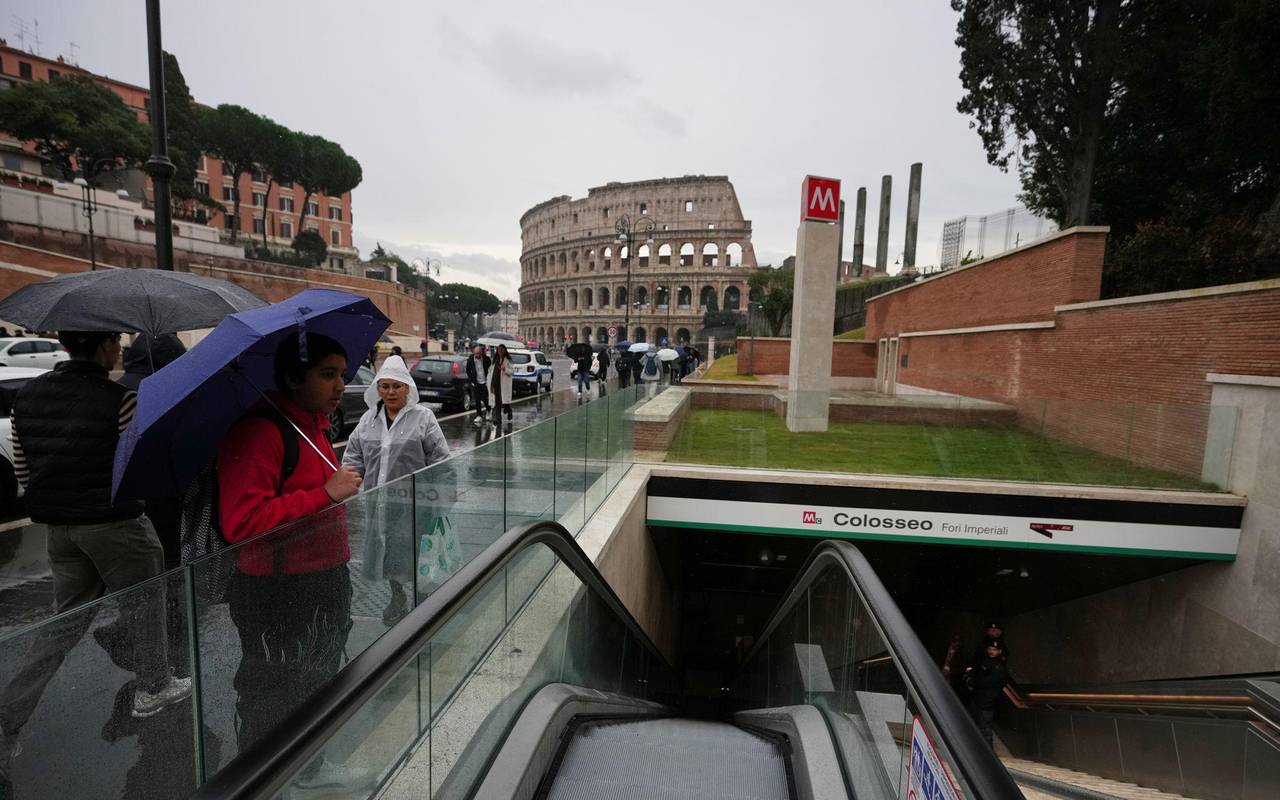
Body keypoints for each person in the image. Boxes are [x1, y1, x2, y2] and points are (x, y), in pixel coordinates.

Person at [1, 331, 191, 762]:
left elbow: (23, 466)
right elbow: (135, 463)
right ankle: (154, 686)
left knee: (63, 623)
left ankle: (9, 716)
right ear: (104, 347)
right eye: (116, 342)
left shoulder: (26, 397)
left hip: (60, 528)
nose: (120, 350)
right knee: (145, 603)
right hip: (115, 523)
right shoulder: (117, 398)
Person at [216, 332, 367, 790]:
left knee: (317, 682)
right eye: (327, 375)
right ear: (291, 377)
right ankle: (264, 781)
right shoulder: (263, 431)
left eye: (342, 374)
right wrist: (324, 494)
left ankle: (307, 769)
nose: (341, 385)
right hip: (277, 593)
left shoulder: (314, 426)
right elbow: (241, 523)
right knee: (274, 691)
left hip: (321, 580)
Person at [341, 355, 451, 625]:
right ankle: (397, 595)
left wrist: (443, 499)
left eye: (396, 386)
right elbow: (353, 456)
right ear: (377, 388)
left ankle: (423, 600)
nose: (390, 392)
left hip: (417, 501)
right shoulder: (368, 421)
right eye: (385, 386)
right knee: (387, 551)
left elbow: (441, 459)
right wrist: (351, 480)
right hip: (380, 502)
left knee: (417, 550)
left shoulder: (423, 418)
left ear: (407, 388)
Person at [117, 333, 189, 568]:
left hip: (125, 503)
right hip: (159, 501)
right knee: (167, 565)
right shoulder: (161, 394)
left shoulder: (116, 390)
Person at [965, 639, 1009, 747]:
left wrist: (972, 682)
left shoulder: (999, 667)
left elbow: (987, 682)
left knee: (985, 729)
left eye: (994, 649)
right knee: (972, 724)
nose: (991, 651)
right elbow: (974, 671)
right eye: (990, 649)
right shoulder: (984, 660)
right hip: (977, 698)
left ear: (999, 651)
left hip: (987, 701)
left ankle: (987, 752)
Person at [465, 344, 491, 426]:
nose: (478, 355)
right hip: (476, 382)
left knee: (485, 398)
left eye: (479, 354)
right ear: (473, 352)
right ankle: (479, 415)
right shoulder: (470, 360)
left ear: (481, 353)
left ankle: (489, 410)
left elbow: (490, 367)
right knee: (477, 400)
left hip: (485, 381)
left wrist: (488, 379)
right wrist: (471, 381)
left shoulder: (486, 359)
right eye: (476, 354)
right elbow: (468, 370)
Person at [490, 344, 514, 427]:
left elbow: (512, 371)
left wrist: (505, 369)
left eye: (502, 350)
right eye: (499, 349)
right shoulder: (495, 360)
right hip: (496, 383)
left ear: (504, 351)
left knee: (504, 402)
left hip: (504, 385)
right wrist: (491, 383)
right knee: (497, 402)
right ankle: (498, 420)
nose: (500, 351)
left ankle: (509, 411)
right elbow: (491, 372)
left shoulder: (508, 360)